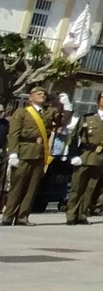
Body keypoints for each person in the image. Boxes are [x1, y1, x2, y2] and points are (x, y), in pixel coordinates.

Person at [3, 87, 59, 226]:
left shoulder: (48, 112)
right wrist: (13, 153)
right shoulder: (22, 112)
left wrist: (62, 104)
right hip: (24, 151)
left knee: (31, 188)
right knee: (17, 186)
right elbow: (14, 133)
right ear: (30, 97)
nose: (42, 96)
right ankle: (8, 216)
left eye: (44, 94)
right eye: (38, 94)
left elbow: (61, 121)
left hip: (39, 153)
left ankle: (22, 217)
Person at [65, 92, 103, 225]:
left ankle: (82, 214)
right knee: (77, 188)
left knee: (90, 188)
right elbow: (74, 137)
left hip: (101, 157)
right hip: (85, 155)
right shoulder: (87, 118)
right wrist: (73, 155)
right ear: (98, 101)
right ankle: (71, 215)